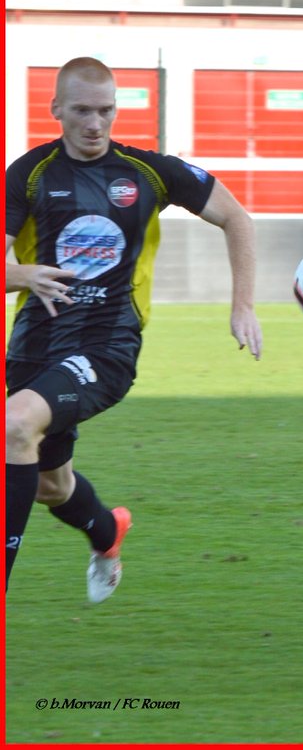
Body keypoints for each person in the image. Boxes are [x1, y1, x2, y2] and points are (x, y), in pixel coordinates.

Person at [5, 57, 263, 601]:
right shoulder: (27, 175)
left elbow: (235, 217)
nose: (95, 124)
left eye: (106, 111)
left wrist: (243, 305)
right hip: (35, 347)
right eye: (81, 111)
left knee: (15, 423)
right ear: (56, 110)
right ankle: (107, 531)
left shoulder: (147, 172)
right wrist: (23, 274)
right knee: (52, 486)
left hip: (107, 347)